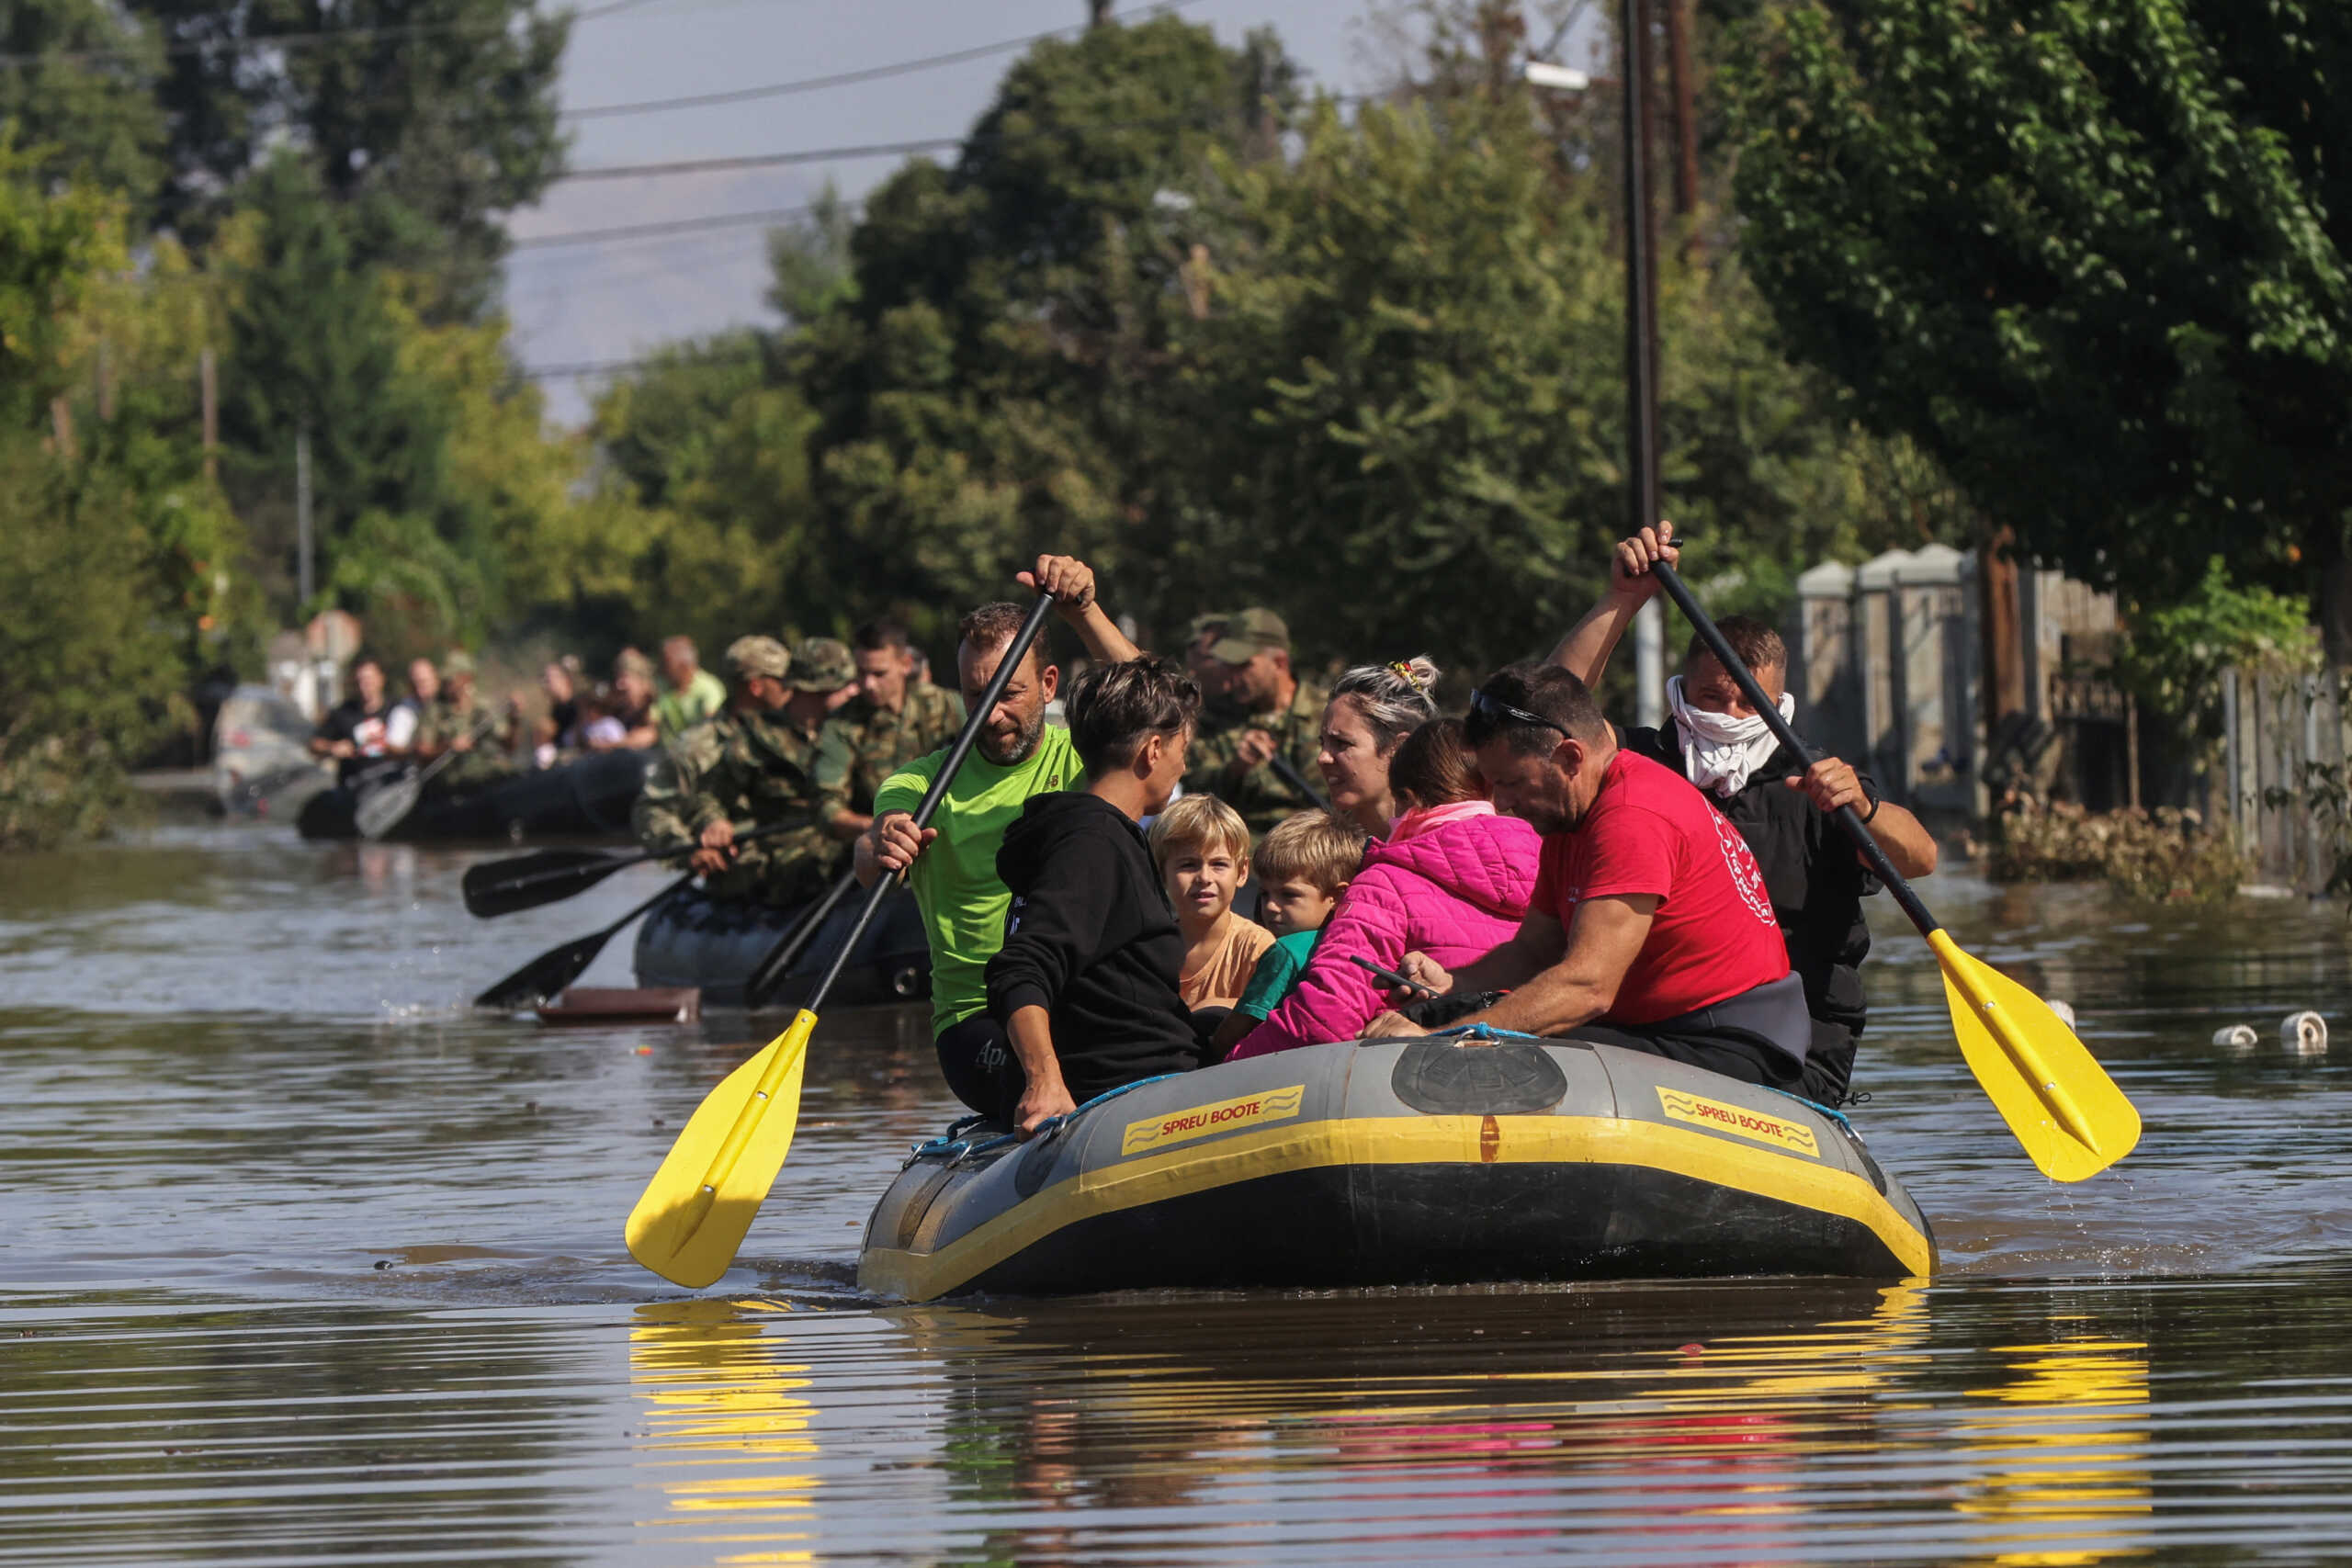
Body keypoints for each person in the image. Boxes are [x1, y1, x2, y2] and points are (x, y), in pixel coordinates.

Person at [1553, 522, 1941, 1104]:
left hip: (1792, 1046)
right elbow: (1549, 717)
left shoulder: (1817, 780)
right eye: (1712, 698)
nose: (1731, 715)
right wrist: (1622, 599)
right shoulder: (1639, 764)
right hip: (1661, 1028)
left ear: (1778, 699)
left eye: (1746, 699)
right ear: (1684, 691)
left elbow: (1921, 858)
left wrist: (1865, 806)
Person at [1363, 665, 1811, 1093]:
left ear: (1570, 757)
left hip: (1728, 1042)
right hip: (1665, 1026)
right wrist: (1453, 982)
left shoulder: (1632, 815)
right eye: (1493, 785)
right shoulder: (1569, 816)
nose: (1502, 803)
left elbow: (1587, 988)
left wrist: (1443, 1040)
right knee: (1451, 1014)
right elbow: (1537, 950)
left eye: (1513, 783)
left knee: (1478, 1048)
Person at [857, 557, 1143, 1119]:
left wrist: (1085, 613)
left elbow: (1158, 706)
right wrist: (882, 843)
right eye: (975, 697)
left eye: (1008, 695)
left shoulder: (1085, 758)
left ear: (1049, 683)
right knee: (1097, 1076)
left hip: (1081, 1005)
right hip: (977, 1020)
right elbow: (869, 855)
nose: (991, 717)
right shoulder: (922, 782)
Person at [1228, 717, 1540, 1060]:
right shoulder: (1548, 864)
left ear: (1405, 798)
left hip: (1423, 1090)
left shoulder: (1386, 882)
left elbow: (1326, 1018)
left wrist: (1229, 1070)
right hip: (1549, 1079)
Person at [984, 656, 1204, 1134]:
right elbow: (1022, 967)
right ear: (1152, 750)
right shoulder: (1092, 843)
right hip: (1126, 1100)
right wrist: (1043, 1081)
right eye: (1182, 749)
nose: (1184, 764)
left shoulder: (1095, 835)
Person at [630, 636, 843, 906]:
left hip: (803, 857)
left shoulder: (799, 732)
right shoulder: (696, 746)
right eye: (782, 681)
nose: (792, 688)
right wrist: (688, 850)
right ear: (756, 686)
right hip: (744, 872)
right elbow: (651, 809)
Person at [1206, 809, 1364, 1060]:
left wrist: (1206, 1052)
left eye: (1289, 895)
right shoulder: (1360, 944)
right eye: (1265, 894)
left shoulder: (1287, 952)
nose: (1270, 906)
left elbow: (1239, 1026)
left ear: (1338, 896)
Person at [816, 616, 967, 840]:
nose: (868, 684)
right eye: (861, 672)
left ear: (905, 664)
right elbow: (828, 806)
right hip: (881, 845)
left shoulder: (943, 705)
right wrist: (885, 825)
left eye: (879, 674)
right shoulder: (841, 725)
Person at [1182, 608, 1328, 837]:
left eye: (1243, 665)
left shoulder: (1329, 712)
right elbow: (1193, 790)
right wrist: (1235, 769)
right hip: (1247, 854)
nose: (1232, 675)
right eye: (1228, 665)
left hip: (1324, 847)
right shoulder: (1215, 721)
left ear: (1279, 663)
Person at [1148, 794, 1272, 1010]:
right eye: (1188, 864)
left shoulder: (1256, 949)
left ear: (1242, 872)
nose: (1204, 877)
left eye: (1218, 864)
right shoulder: (1148, 949)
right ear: (1162, 874)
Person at [1317, 657, 1441, 840]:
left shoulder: (1446, 840)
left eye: (1342, 743)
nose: (1323, 758)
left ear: (1398, 748)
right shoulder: (1321, 852)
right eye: (1323, 743)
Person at [309, 652, 397, 785]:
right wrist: (332, 747)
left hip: (390, 788)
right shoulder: (342, 712)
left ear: (381, 679)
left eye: (369, 680)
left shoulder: (396, 711)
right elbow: (314, 744)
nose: (364, 686)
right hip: (353, 789)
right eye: (359, 681)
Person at [653, 636, 729, 742]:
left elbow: (711, 726)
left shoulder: (709, 688)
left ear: (684, 666)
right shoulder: (661, 685)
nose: (660, 669)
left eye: (666, 663)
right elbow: (651, 725)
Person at [593, 649, 661, 751]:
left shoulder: (653, 706)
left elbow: (650, 735)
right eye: (617, 679)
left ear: (640, 680)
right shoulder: (620, 709)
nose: (619, 685)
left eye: (624, 678)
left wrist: (609, 745)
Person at [385, 657, 441, 756]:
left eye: (424, 683)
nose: (420, 692)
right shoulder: (402, 712)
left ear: (436, 680)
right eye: (414, 685)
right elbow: (393, 747)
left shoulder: (448, 703)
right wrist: (414, 750)